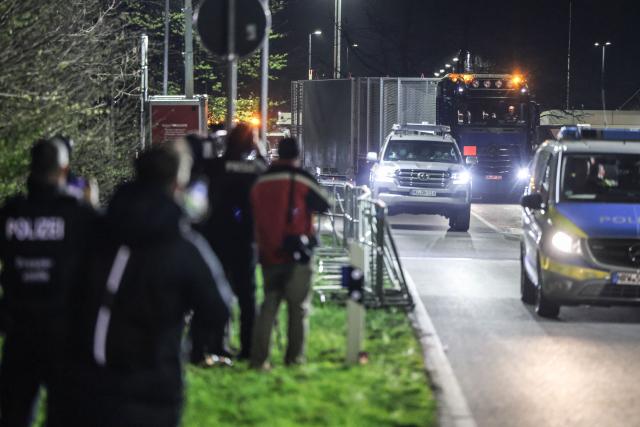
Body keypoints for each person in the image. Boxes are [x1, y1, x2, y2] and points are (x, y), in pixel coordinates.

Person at [58, 140, 232, 427]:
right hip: (154, 382)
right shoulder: (184, 247)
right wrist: (189, 341)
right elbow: (218, 308)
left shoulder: (96, 232)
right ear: (178, 184)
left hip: (90, 379)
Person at [0, 138, 96, 427]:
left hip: (18, 330)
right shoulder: (78, 214)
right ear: (65, 169)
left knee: (14, 414)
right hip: (65, 332)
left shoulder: (11, 213)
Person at [250, 137, 330, 369]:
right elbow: (325, 204)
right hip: (297, 253)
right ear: (297, 155)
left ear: (277, 154)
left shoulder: (261, 181)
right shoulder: (302, 178)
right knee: (298, 309)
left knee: (269, 306)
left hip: (268, 253)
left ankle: (259, 359)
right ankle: (294, 359)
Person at [191, 123, 267, 362]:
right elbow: (266, 172)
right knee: (247, 297)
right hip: (245, 240)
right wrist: (260, 149)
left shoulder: (214, 166)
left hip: (215, 238)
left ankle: (208, 345)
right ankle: (247, 349)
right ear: (250, 143)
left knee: (212, 292)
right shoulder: (256, 167)